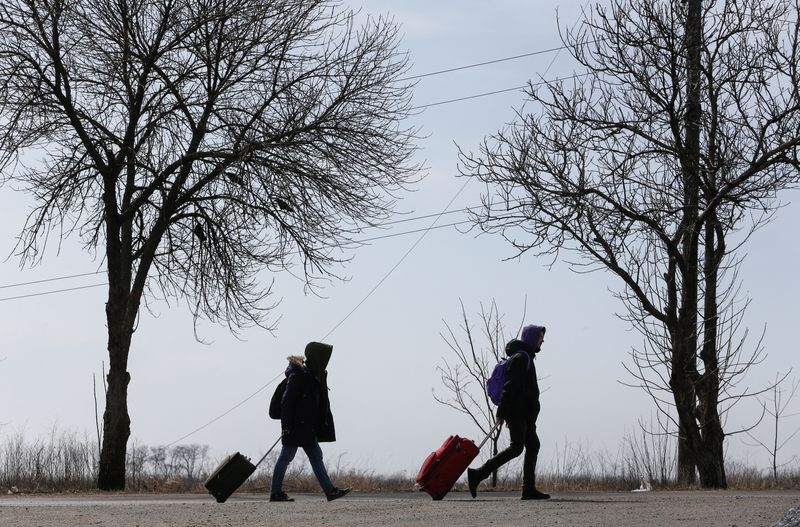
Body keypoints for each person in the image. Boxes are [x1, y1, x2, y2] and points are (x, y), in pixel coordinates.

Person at [468, 324, 550, 500]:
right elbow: (510, 386)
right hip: (518, 412)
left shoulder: (525, 356)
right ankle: (477, 475)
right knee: (517, 448)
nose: (542, 340)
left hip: (524, 414)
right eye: (539, 337)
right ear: (531, 338)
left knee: (532, 445)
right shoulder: (521, 358)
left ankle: (528, 489)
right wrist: (502, 411)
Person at [269, 341, 351, 502]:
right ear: (317, 357)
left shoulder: (312, 375)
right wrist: (286, 427)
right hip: (295, 427)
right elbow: (286, 402)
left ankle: (330, 491)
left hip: (306, 428)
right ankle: (275, 492)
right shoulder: (299, 375)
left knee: (313, 456)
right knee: (286, 457)